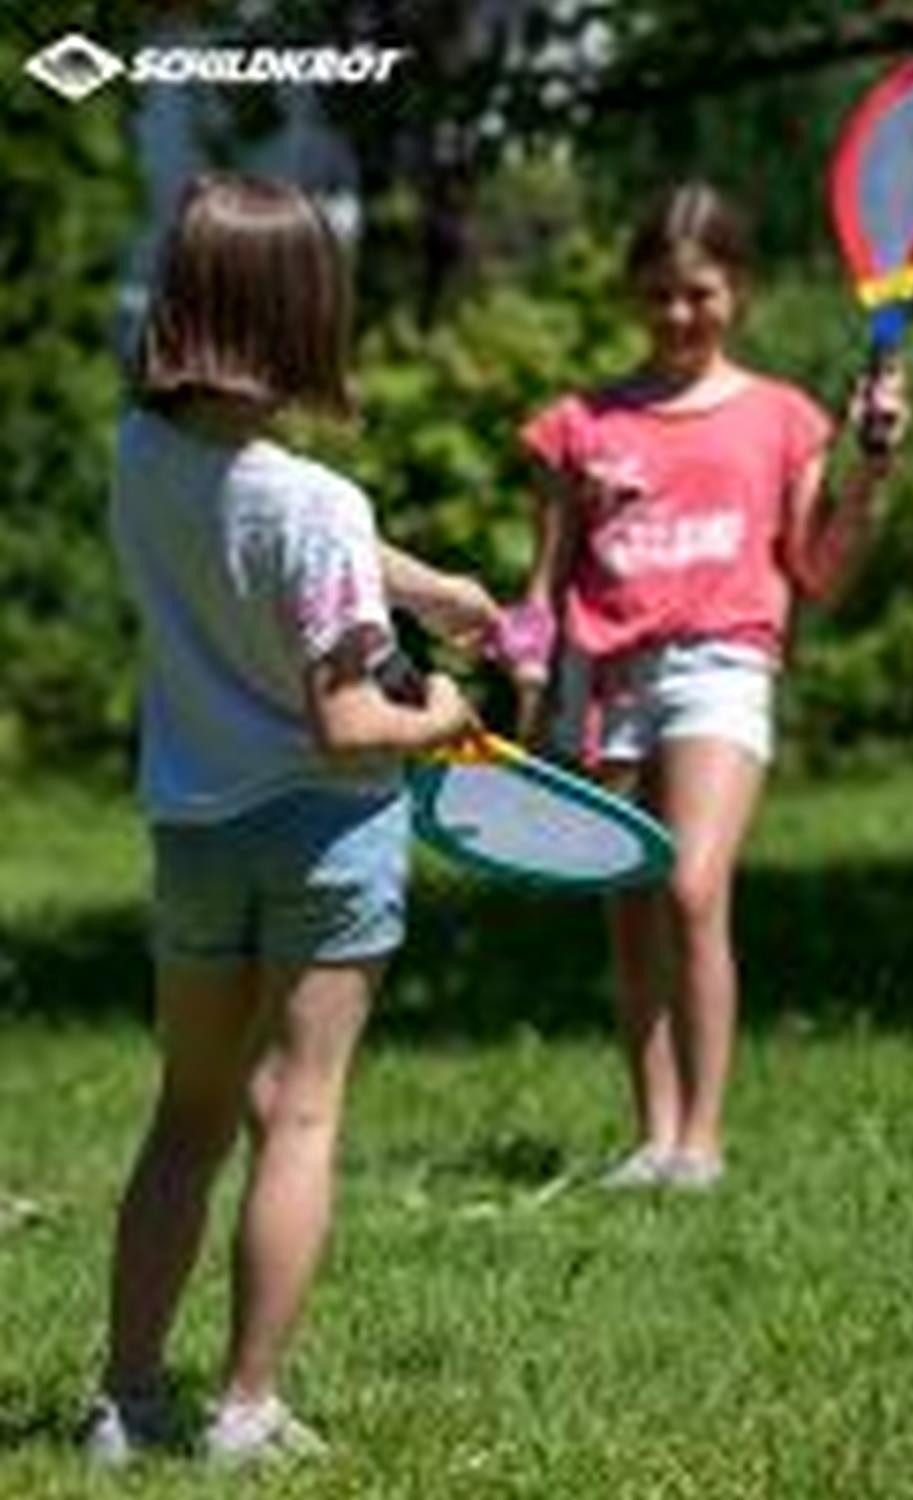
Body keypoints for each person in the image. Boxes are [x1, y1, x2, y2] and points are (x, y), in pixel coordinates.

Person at [86, 173, 498, 1465]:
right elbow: (345, 725)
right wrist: (437, 712)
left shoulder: (141, 454)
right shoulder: (321, 504)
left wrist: (423, 585)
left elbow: (255, 521)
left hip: (194, 837)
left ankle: (128, 1400)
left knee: (189, 1112)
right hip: (326, 836)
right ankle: (248, 1411)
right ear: (306, 317)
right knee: (301, 1111)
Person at [500, 181, 909, 1190]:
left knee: (690, 886)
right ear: (635, 296)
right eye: (659, 296)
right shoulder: (578, 425)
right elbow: (543, 581)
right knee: (632, 909)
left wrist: (873, 468)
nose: (679, 315)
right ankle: (655, 1137)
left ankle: (704, 1144)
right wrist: (519, 666)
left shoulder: (784, 419)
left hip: (722, 665)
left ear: (741, 293)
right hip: (606, 679)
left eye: (701, 294)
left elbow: (818, 570)